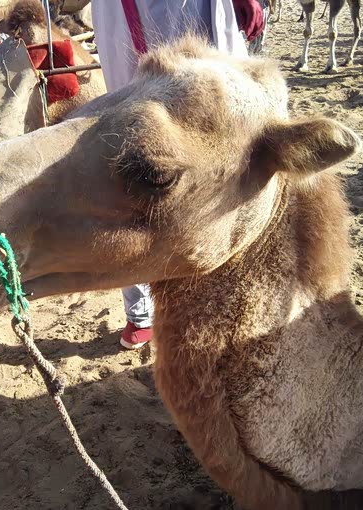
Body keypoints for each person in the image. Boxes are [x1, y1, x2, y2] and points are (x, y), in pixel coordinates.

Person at [90, 0, 264, 350]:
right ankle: (141, 311)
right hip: (128, 14)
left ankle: (217, 301)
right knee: (132, 151)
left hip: (187, 14)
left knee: (217, 151)